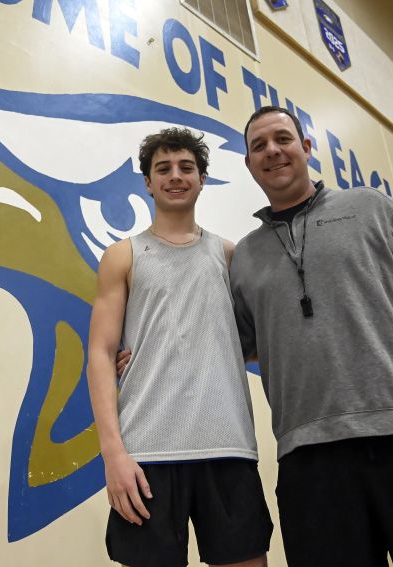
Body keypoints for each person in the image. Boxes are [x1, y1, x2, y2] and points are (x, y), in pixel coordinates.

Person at [229, 105, 393, 566]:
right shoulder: (246, 257)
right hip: (310, 459)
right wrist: (139, 355)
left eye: (283, 139)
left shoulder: (371, 208)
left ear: (306, 148)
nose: (272, 151)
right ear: (249, 164)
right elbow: (232, 346)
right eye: (259, 146)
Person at [86, 127, 272, 567]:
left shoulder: (230, 256)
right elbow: (98, 353)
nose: (175, 176)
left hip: (228, 448)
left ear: (201, 178)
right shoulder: (123, 255)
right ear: (147, 182)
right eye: (162, 168)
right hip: (146, 455)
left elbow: (257, 342)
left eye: (186, 167)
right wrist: (113, 454)